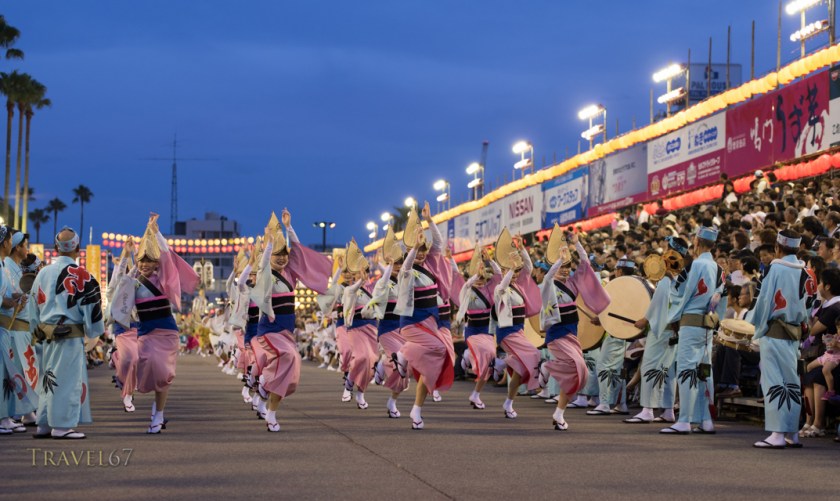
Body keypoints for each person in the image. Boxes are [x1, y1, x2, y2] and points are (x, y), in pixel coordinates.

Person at [111, 214, 199, 433]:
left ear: (156, 262)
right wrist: (127, 256)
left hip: (167, 332)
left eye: (149, 261)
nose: (144, 265)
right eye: (141, 261)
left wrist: (155, 231)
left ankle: (158, 415)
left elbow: (168, 256)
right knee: (140, 363)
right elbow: (117, 285)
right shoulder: (133, 280)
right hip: (146, 333)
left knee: (163, 374)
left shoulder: (163, 279)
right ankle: (119, 364)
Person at [253, 209, 331, 431]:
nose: (281, 258)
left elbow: (299, 252)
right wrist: (269, 243)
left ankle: (271, 412)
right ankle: (264, 382)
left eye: (283, 255)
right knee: (287, 357)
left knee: (291, 371)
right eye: (276, 255)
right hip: (269, 330)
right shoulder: (264, 273)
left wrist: (289, 228)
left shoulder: (290, 274)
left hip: (287, 332)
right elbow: (264, 261)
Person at [26, 227, 105, 439]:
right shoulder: (83, 275)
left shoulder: (42, 273)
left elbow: (32, 307)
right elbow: (93, 309)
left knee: (47, 379)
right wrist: (94, 331)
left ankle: (43, 423)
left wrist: (36, 330)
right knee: (66, 380)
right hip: (69, 335)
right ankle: (61, 426)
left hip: (44, 334)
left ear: (56, 247)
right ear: (78, 248)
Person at [392, 204, 455, 430]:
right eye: (417, 250)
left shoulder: (430, 264)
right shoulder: (407, 270)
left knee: (431, 366)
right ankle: (404, 352)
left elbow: (438, 244)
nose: (421, 253)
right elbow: (406, 265)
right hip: (411, 323)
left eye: (422, 250)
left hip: (431, 320)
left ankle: (417, 409)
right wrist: (413, 248)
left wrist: (430, 220)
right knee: (439, 349)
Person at [539, 228, 610, 430]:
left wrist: (577, 244)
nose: (564, 270)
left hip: (572, 332)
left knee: (578, 376)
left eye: (567, 267)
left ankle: (559, 414)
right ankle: (547, 368)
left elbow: (585, 263)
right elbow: (547, 277)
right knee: (578, 367)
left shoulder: (573, 283)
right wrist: (559, 261)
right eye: (561, 267)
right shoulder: (549, 284)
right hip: (556, 334)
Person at [749, 229, 810, 449]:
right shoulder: (805, 271)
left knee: (774, 380)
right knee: (791, 382)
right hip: (794, 333)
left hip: (774, 331)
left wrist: (756, 328)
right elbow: (808, 305)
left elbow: (765, 301)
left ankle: (777, 432)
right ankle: (792, 432)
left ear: (778, 247)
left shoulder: (775, 268)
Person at [660, 227, 723, 435]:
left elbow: (681, 292)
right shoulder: (717, 268)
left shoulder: (696, 265)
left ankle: (685, 419)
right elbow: (719, 297)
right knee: (704, 371)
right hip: (707, 325)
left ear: (697, 242)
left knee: (686, 368)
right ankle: (705, 419)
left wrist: (671, 280)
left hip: (691, 321)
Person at [625, 237, 689, 424]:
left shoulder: (665, 281)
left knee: (650, 366)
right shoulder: (682, 279)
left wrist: (644, 320)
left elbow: (657, 306)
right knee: (667, 370)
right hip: (674, 331)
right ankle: (668, 410)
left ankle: (647, 409)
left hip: (661, 330)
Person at [491, 229, 542, 420]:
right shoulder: (499, 289)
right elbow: (503, 285)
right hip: (506, 332)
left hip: (518, 331)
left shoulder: (519, 286)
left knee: (519, 372)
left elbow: (527, 268)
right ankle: (502, 363)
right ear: (503, 272)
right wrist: (510, 269)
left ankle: (509, 402)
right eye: (507, 271)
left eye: (513, 272)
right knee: (535, 353)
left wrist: (522, 249)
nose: (513, 274)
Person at [455, 246, 504, 410]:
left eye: (482, 278)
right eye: (477, 278)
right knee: (481, 353)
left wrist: (489, 260)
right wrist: (476, 273)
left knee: (489, 360)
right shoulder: (467, 291)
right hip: (472, 330)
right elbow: (467, 284)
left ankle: (476, 394)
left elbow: (499, 276)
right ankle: (467, 356)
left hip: (487, 329)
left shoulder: (490, 289)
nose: (480, 281)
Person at [587, 257, 636, 416]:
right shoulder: (635, 287)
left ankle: (605, 403)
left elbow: (614, 312)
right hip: (627, 333)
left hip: (616, 332)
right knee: (617, 369)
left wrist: (601, 319)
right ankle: (621, 403)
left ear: (620, 271)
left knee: (603, 366)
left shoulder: (620, 287)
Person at [341, 242, 378, 410]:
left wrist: (387, 265)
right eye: (357, 273)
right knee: (361, 357)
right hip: (355, 327)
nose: (361, 275)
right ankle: (349, 382)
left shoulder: (372, 287)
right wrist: (359, 282)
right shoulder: (349, 289)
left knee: (371, 361)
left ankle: (361, 393)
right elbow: (352, 292)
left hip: (372, 327)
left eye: (364, 271)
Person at [106, 238, 140, 412]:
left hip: (137, 327)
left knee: (135, 360)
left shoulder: (134, 283)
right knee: (130, 359)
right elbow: (121, 275)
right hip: (121, 327)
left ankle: (127, 392)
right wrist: (126, 253)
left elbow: (137, 271)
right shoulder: (117, 284)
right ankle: (115, 358)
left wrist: (134, 254)